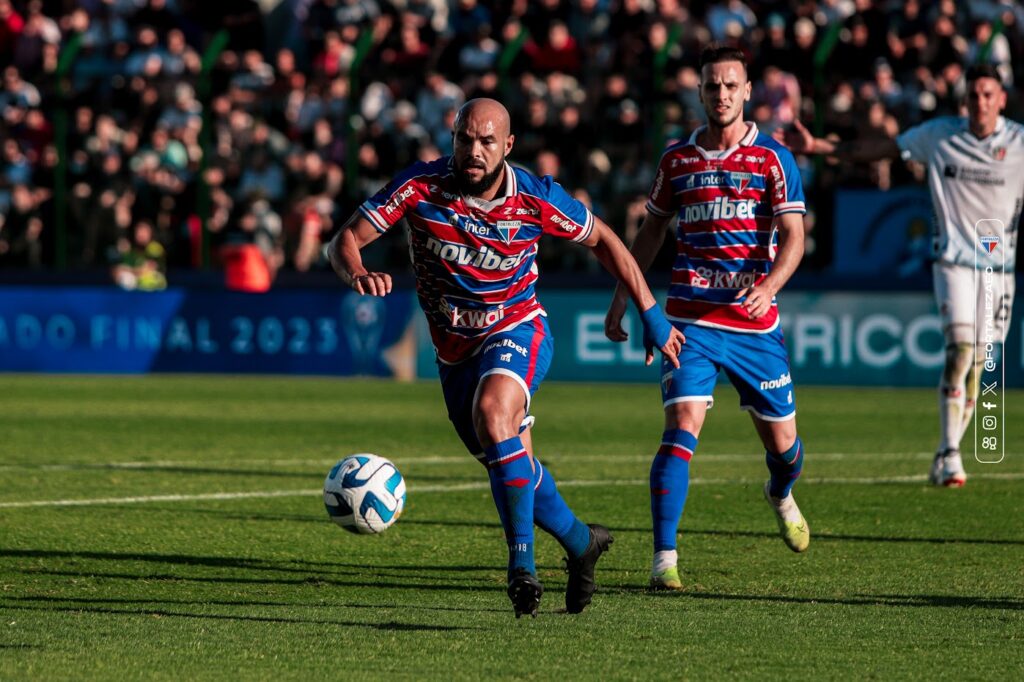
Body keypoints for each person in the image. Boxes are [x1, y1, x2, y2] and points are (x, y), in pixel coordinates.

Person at [327, 98, 684, 617]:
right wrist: (357, 272)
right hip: (453, 354)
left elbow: (605, 240)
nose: (474, 151)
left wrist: (650, 312)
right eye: (465, 139)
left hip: (519, 328)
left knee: (495, 415)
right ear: (452, 138)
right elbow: (345, 241)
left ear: (508, 146)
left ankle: (522, 567)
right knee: (511, 464)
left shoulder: (536, 197)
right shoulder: (420, 187)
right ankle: (583, 543)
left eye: (487, 141)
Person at [604, 46, 811, 592]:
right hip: (688, 322)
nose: (721, 94)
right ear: (699, 92)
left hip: (753, 326)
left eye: (730, 86)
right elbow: (651, 232)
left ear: (747, 93)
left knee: (785, 450)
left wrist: (768, 286)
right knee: (679, 432)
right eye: (711, 86)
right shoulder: (677, 160)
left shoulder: (774, 159)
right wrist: (626, 295)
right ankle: (663, 559)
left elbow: (794, 237)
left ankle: (780, 492)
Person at [776, 64, 1023, 488]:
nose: (980, 102)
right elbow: (879, 150)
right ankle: (950, 453)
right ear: (964, 101)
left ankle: (947, 450)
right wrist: (818, 144)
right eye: (974, 94)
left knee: (982, 370)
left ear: (1001, 99)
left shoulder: (1019, 142)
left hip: (998, 270)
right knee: (960, 351)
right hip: (954, 262)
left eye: (988, 94)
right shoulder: (940, 135)